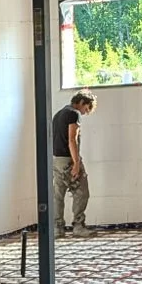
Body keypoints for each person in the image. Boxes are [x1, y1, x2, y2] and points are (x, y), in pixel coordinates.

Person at [50, 92, 95, 234]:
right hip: (68, 159)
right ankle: (78, 226)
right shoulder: (73, 114)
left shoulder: (58, 114)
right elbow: (72, 139)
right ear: (81, 102)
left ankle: (57, 228)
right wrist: (76, 163)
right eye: (87, 108)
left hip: (57, 159)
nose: (86, 112)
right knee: (82, 192)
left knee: (58, 194)